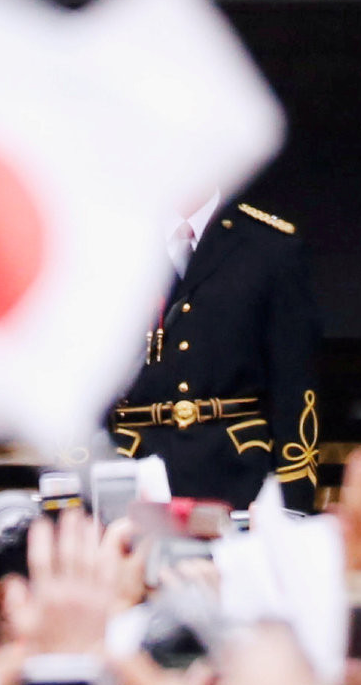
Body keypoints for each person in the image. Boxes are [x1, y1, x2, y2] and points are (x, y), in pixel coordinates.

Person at [104, 195, 324, 507]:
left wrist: (294, 496)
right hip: (129, 471)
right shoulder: (107, 243)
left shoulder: (269, 246)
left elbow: (294, 383)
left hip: (237, 475)